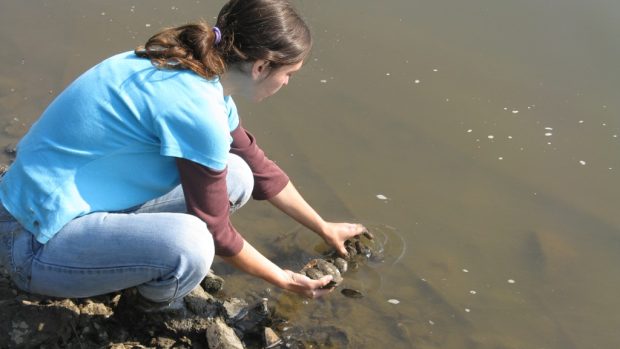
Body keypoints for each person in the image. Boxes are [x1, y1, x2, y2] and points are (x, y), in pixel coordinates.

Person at [0, 0, 365, 309]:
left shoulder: (187, 67)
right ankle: (146, 306)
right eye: (290, 74)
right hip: (32, 246)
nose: (287, 83)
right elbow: (218, 233)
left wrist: (323, 226)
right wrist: (282, 279)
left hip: (40, 207)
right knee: (192, 245)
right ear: (261, 66)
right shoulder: (197, 110)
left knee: (237, 175)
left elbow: (259, 168)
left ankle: (128, 264)